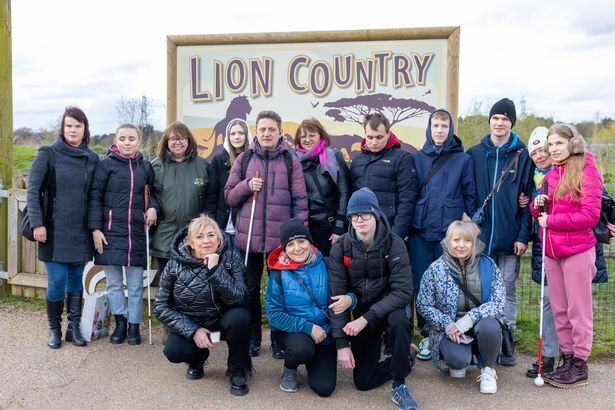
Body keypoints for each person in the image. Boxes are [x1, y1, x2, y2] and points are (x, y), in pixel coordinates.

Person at [523, 127, 608, 378]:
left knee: (578, 310)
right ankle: (567, 360)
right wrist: (536, 206)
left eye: (559, 143)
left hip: (578, 251)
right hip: (552, 251)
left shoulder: (586, 169)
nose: (553, 149)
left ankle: (580, 364)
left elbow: (589, 215)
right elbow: (539, 213)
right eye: (550, 144)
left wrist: (551, 220)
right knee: (560, 309)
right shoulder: (552, 174)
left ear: (573, 143)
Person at [225, 110, 308, 358]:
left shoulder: (291, 161)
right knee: (249, 290)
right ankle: (252, 337)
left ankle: (278, 338)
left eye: (271, 129)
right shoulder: (245, 159)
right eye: (262, 129)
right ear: (257, 131)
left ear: (280, 131)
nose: (266, 133)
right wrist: (246, 186)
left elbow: (300, 200)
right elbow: (229, 195)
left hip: (279, 241)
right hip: (247, 239)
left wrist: (297, 238)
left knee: (279, 291)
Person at [328, 188, 418, 410]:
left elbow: (403, 291)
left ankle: (399, 384)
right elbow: (336, 299)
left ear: (376, 214)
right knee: (363, 382)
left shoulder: (394, 243)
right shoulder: (340, 247)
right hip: (360, 308)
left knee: (399, 322)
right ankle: (405, 358)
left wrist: (366, 318)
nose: (360, 220)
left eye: (365, 214)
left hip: (389, 307)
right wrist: (341, 344)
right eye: (354, 216)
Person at [466, 98, 533, 366]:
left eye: (505, 119)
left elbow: (528, 199)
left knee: (506, 289)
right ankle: (479, 338)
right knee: (478, 288)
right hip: (480, 237)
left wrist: (522, 236)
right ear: (490, 121)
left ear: (511, 123)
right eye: (496, 118)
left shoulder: (522, 155)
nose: (500, 123)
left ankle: (506, 337)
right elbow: (468, 192)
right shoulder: (474, 153)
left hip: (509, 236)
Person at [27, 106, 99, 348]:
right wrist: (38, 223)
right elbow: (33, 191)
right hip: (53, 231)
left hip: (79, 232)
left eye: (78, 126)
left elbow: (94, 196)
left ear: (84, 129)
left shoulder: (92, 158)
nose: (73, 130)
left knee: (76, 280)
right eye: (69, 125)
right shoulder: (47, 154)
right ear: (62, 128)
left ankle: (74, 329)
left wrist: (94, 227)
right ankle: (55, 330)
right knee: (57, 280)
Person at [155, 215, 252, 396]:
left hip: (220, 325)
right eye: (199, 237)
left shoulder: (231, 259)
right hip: (191, 325)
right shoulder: (174, 265)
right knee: (174, 351)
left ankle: (237, 370)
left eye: (211, 235)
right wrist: (193, 331)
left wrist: (215, 270)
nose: (206, 241)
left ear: (219, 238)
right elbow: (161, 307)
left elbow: (240, 299)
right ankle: (197, 359)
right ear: (190, 242)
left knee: (241, 317)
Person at [410, 109, 476, 361]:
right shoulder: (417, 158)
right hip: (419, 234)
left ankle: (448, 334)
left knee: (449, 288)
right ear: (429, 128)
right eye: (435, 125)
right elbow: (410, 194)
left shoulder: (462, 160)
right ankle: (427, 335)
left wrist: (470, 225)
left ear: (450, 130)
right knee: (421, 286)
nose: (439, 130)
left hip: (448, 238)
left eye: (444, 126)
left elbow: (470, 196)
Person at [88, 124, 158, 345]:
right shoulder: (105, 165)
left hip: (136, 232)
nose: (127, 142)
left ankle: (134, 325)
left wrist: (153, 207)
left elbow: (152, 193)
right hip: (110, 232)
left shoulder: (145, 166)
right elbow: (95, 197)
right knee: (114, 283)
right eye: (122, 138)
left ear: (139, 141)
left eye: (131, 138)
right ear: (116, 141)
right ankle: (120, 322)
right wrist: (96, 229)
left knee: (136, 284)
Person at [265, 219, 351, 396]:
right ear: (284, 249)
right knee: (301, 349)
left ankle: (317, 360)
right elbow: (274, 315)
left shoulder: (327, 264)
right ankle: (290, 367)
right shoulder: (279, 273)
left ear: (310, 242)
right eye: (290, 244)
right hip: (294, 333)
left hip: (326, 334)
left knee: (324, 388)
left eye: (301, 241)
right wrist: (309, 328)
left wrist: (350, 300)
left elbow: (350, 292)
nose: (297, 248)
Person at [416, 221, 505, 394]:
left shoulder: (488, 266)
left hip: (479, 323)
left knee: (490, 325)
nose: (461, 245)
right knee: (457, 362)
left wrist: (469, 319)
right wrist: (447, 324)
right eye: (456, 240)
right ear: (448, 241)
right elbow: (423, 304)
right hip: (450, 328)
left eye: (467, 241)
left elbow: (499, 301)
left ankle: (488, 369)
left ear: (474, 242)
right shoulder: (436, 269)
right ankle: (461, 356)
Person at [150, 121, 209, 283]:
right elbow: (147, 195)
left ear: (189, 141)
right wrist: (151, 207)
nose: (177, 142)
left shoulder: (202, 165)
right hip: (164, 234)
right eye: (173, 139)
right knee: (167, 281)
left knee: (192, 283)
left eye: (182, 138)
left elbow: (210, 197)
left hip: (193, 234)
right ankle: (166, 309)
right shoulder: (155, 166)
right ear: (166, 142)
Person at [350, 112, 418, 239]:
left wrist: (396, 235)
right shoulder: (357, 161)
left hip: (389, 231)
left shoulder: (402, 159)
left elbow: (407, 200)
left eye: (379, 137)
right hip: (361, 233)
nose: (374, 142)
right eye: (370, 137)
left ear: (388, 133)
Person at [293, 118, 351, 256]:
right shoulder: (294, 161)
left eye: (311, 135)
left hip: (329, 227)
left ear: (321, 135)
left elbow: (345, 193)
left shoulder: (333, 156)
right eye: (303, 136)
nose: (307, 139)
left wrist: (339, 227)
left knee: (333, 271)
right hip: (305, 228)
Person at [205, 119, 252, 251]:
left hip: (245, 228)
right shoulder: (218, 161)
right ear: (228, 137)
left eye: (241, 133)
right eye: (233, 134)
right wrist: (211, 223)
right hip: (222, 226)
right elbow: (212, 195)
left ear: (247, 135)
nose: (237, 137)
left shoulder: (254, 159)